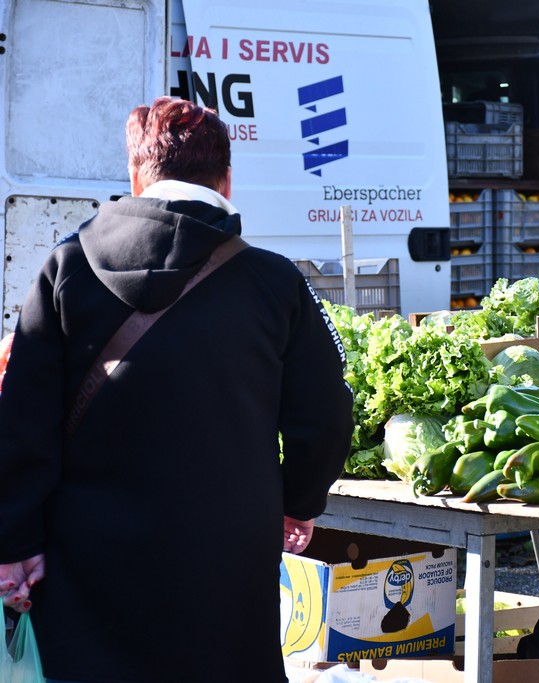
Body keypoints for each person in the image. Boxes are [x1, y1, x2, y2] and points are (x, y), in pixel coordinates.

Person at [0, 97, 353, 682]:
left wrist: (15, 542)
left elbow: (22, 422)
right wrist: (300, 500)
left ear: (137, 176)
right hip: (227, 563)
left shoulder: (65, 269)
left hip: (85, 561)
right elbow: (325, 414)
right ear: (227, 182)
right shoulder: (273, 281)